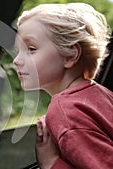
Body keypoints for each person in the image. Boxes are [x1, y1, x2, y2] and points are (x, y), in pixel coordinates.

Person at [12, 3, 113, 169]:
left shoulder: (65, 111)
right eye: (17, 51)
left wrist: (51, 163)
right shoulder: (102, 94)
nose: (16, 61)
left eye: (31, 49)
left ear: (70, 55)